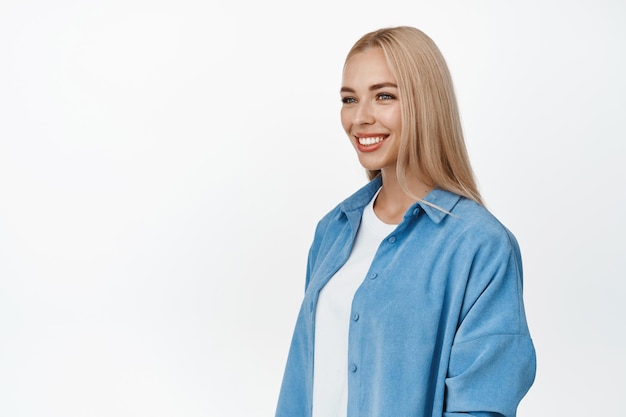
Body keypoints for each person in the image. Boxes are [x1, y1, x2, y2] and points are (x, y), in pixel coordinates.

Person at [275, 26, 536, 417]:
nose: (360, 118)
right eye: (350, 99)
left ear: (424, 103)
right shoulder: (332, 230)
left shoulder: (479, 246)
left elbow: (483, 404)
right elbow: (303, 379)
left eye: (384, 96)